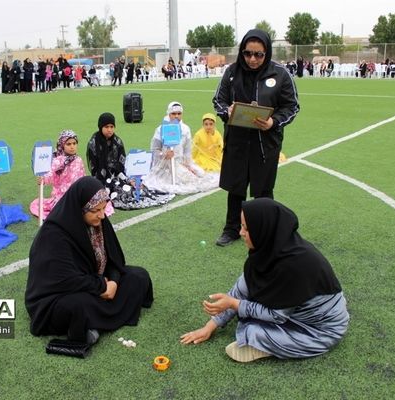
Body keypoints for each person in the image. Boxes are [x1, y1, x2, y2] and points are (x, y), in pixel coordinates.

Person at [180, 198, 349, 362]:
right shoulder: (267, 251)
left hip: (319, 329)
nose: (240, 233)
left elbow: (276, 315)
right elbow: (241, 289)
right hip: (294, 313)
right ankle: (266, 340)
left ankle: (264, 345)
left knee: (253, 330)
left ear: (264, 229)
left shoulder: (296, 265)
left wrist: (235, 304)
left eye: (246, 228)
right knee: (249, 315)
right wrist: (209, 327)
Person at [25, 176, 154, 351]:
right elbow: (65, 280)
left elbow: (114, 259)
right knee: (79, 306)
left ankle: (94, 324)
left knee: (138, 276)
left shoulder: (99, 220)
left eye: (103, 209)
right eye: (95, 211)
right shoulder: (54, 234)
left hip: (97, 283)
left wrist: (113, 283)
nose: (101, 215)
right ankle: (94, 321)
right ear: (80, 208)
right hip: (59, 295)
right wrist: (101, 286)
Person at [212, 29, 299, 246]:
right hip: (237, 142)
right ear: (242, 52)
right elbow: (218, 101)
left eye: (258, 55)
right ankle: (232, 228)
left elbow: (292, 106)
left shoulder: (280, 74)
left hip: (265, 144)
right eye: (247, 53)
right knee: (236, 189)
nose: (252, 59)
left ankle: (263, 231)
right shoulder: (232, 72)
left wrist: (274, 122)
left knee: (263, 191)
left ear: (266, 53)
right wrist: (227, 111)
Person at [87, 113, 174, 210]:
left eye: (112, 127)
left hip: (117, 176)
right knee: (115, 192)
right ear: (101, 127)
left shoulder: (117, 142)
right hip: (100, 179)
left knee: (133, 189)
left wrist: (128, 179)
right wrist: (106, 180)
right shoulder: (93, 143)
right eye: (106, 127)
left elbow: (122, 165)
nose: (109, 130)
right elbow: (94, 168)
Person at [143, 101, 219, 195]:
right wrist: (164, 154)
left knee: (200, 175)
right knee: (171, 183)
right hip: (165, 165)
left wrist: (189, 165)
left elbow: (187, 151)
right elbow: (154, 150)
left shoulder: (185, 129)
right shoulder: (160, 129)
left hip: (180, 163)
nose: (176, 116)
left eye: (179, 114)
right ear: (168, 114)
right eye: (173, 114)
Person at [30, 130, 87, 219]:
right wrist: (43, 180)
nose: (72, 147)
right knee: (63, 212)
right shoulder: (58, 160)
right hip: (62, 195)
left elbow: (82, 176)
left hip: (76, 193)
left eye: (74, 143)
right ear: (62, 145)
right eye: (68, 144)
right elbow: (50, 175)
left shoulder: (78, 160)